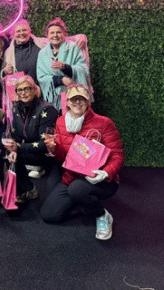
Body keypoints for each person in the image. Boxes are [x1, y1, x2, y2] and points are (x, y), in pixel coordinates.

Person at [40, 85, 124, 240]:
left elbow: (117, 155)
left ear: (87, 102)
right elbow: (62, 158)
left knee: (77, 189)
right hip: (72, 177)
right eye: (74, 99)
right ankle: (84, 203)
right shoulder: (60, 122)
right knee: (49, 214)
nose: (77, 102)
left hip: (100, 179)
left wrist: (106, 173)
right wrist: (54, 149)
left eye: (82, 99)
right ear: (67, 102)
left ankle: (102, 215)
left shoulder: (104, 123)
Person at [5, 76, 59, 202]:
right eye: (19, 90)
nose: (23, 93)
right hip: (32, 151)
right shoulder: (16, 107)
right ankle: (28, 190)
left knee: (51, 200)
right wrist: (13, 150)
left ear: (35, 90)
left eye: (27, 89)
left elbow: (45, 144)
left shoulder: (47, 109)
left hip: (50, 156)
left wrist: (19, 147)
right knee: (9, 156)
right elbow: (16, 135)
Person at [37, 17, 90, 112]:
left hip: (74, 95)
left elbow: (83, 69)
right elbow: (41, 77)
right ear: (47, 35)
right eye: (52, 33)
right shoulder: (42, 53)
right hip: (53, 98)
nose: (55, 35)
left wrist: (65, 67)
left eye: (58, 32)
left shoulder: (73, 47)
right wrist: (61, 79)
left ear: (64, 34)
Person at [1, 19, 44, 85]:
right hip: (21, 90)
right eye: (18, 31)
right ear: (13, 34)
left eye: (24, 30)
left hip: (40, 88)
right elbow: (3, 74)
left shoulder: (41, 45)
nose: (21, 33)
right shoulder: (8, 53)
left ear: (29, 31)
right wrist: (5, 71)